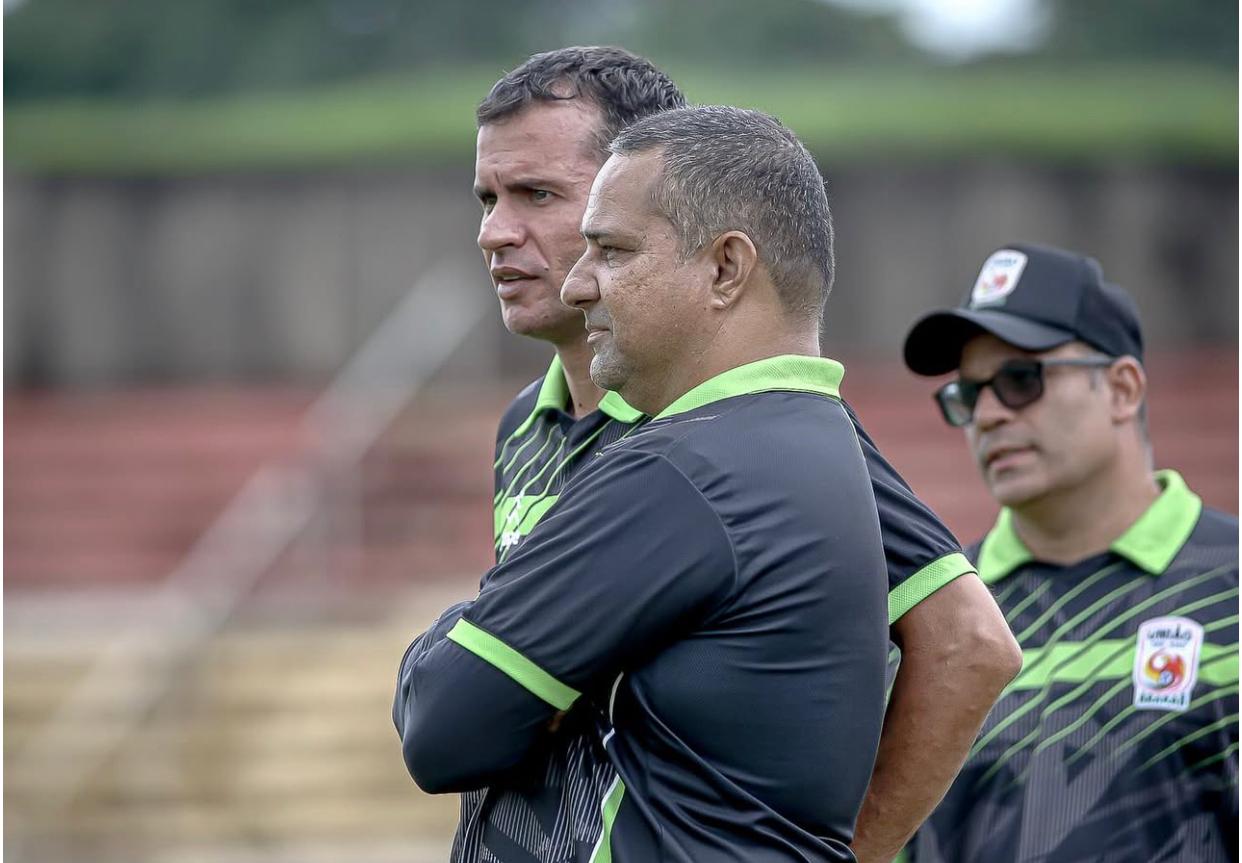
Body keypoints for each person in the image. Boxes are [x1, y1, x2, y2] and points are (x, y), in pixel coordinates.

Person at [400, 47, 1020, 863]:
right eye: (486, 197)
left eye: (537, 195)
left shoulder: (736, 434)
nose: (494, 232)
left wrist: (848, 850)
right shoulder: (527, 423)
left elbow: (969, 642)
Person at [901, 242, 1239, 862]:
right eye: (969, 396)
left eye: (1021, 379)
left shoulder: (1232, 588)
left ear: (1122, 388)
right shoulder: (938, 619)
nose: (991, 415)